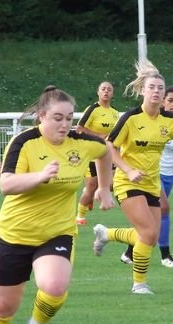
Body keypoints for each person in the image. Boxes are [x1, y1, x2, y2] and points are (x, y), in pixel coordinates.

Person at [0, 86, 114, 324]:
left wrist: (103, 187)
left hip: (57, 232)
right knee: (2, 308)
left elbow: (106, 150)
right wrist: (39, 177)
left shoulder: (80, 141)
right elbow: (6, 185)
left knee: (54, 286)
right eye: (58, 118)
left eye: (69, 118)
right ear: (41, 117)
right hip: (15, 234)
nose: (65, 125)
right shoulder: (24, 142)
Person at [92, 60, 173, 294]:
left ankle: (107, 234)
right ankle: (139, 284)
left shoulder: (169, 121)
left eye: (160, 88)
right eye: (151, 87)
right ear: (143, 90)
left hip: (152, 184)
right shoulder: (131, 118)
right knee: (149, 233)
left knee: (148, 237)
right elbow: (109, 146)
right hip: (126, 181)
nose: (156, 91)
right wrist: (128, 169)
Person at [120, 85, 173, 267]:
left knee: (151, 222)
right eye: (170, 100)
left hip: (169, 174)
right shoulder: (148, 119)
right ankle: (165, 255)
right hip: (150, 173)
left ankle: (125, 249)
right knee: (165, 208)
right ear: (163, 101)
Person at [75, 81, 119, 225]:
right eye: (103, 89)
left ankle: (91, 194)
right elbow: (79, 128)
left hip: (106, 153)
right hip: (91, 152)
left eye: (109, 89)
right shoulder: (93, 109)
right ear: (98, 92)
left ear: (112, 93)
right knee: (93, 184)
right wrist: (98, 135)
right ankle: (80, 216)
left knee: (111, 183)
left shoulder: (115, 113)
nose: (106, 91)